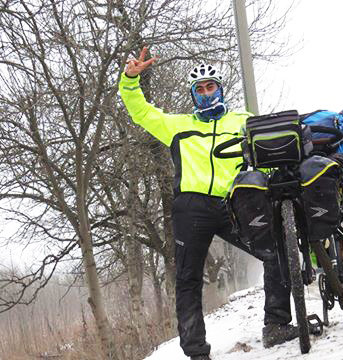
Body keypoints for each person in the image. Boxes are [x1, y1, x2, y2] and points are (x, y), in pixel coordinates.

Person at [119, 47, 298, 360]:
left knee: (276, 252)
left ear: (220, 89)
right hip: (192, 208)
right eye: (198, 89)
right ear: (193, 95)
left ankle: (276, 325)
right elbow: (141, 112)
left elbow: (266, 150)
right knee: (188, 278)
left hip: (234, 206)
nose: (205, 93)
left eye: (210, 87)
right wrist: (131, 80)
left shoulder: (242, 121)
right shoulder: (177, 125)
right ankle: (196, 351)